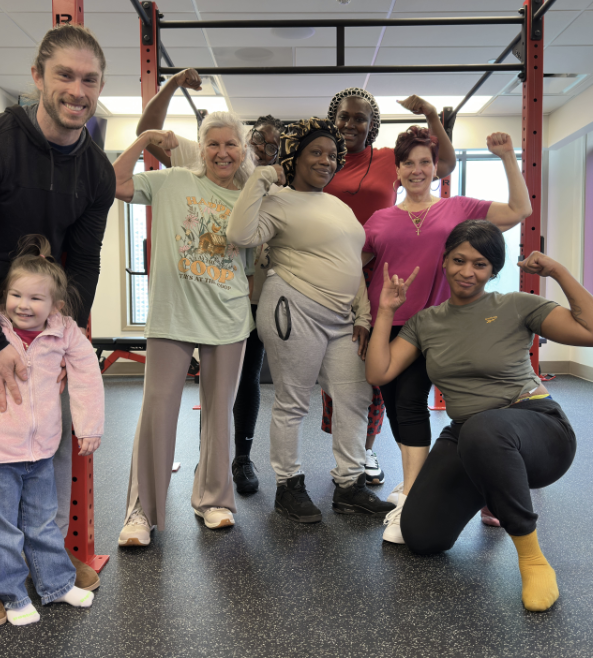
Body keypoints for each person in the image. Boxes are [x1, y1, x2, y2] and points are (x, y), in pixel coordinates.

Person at [0, 24, 115, 631]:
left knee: (44, 439)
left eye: (89, 79)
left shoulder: (95, 170)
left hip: (42, 320)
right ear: (37, 77)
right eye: (64, 74)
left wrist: (65, 334)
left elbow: (83, 262)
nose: (76, 89)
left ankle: (46, 563)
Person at [366, 220, 593, 612]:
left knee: (485, 428)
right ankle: (492, 479)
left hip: (537, 426)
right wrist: (385, 311)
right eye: (459, 260)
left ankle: (532, 559)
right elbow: (378, 373)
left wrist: (558, 273)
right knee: (421, 537)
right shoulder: (426, 323)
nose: (468, 271)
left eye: (480, 264)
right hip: (470, 435)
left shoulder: (516, 305)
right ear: (444, 261)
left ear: (493, 271)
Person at [361, 127, 532, 543]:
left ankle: (419, 490)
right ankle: (417, 481)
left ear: (436, 168)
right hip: (389, 323)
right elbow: (358, 269)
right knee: (397, 405)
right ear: (397, 171)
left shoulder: (459, 208)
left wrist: (508, 157)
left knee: (414, 400)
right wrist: (362, 319)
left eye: (424, 162)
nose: (417, 170)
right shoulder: (379, 219)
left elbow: (518, 209)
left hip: (437, 325)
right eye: (408, 163)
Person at [227, 118, 394, 523]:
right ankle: (289, 486)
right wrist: (264, 176)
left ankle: (350, 485)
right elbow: (239, 233)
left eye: (332, 155)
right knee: (292, 401)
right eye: (315, 152)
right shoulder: (278, 200)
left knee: (354, 397)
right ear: (295, 157)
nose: (326, 160)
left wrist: (364, 314)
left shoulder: (338, 205)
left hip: (342, 319)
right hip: (294, 307)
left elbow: (351, 263)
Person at [0, 236, 104, 627]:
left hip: (40, 452)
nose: (23, 306)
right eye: (15, 295)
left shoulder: (64, 333)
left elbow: (87, 377)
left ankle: (56, 583)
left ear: (56, 307)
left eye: (35, 299)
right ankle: (10, 595)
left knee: (43, 523)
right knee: (0, 530)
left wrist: (89, 426)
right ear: (3, 295)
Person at [135, 67, 282, 495]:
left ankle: (235, 464)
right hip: (185, 302)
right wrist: (171, 86)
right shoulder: (189, 165)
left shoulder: (266, 188)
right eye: (261, 139)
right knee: (166, 403)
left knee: (239, 389)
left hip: (243, 301)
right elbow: (148, 131)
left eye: (275, 143)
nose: (224, 150)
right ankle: (150, 500)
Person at [114, 111, 255, 546]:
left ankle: (213, 499)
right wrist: (141, 142)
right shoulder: (172, 180)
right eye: (213, 144)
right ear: (201, 148)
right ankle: (141, 511)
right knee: (157, 410)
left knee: (218, 412)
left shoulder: (250, 199)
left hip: (227, 315)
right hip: (173, 314)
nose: (222, 152)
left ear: (242, 150)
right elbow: (113, 183)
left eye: (231, 144)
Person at [321, 88, 457, 485]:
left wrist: (432, 116)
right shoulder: (321, 158)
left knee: (379, 371)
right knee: (342, 371)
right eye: (344, 117)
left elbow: (442, 163)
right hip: (338, 276)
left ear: (372, 125)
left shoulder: (385, 160)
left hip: (378, 274)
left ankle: (366, 451)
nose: (350, 124)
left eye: (360, 118)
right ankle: (346, 450)